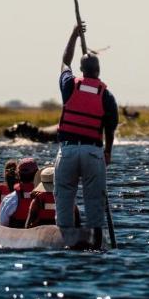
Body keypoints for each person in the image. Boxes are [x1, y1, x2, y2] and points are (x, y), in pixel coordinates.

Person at [56, 22, 118, 249]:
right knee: (94, 202)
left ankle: (67, 243)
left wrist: (73, 34)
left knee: (64, 198)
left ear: (82, 71)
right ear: (98, 71)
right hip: (93, 153)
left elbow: (65, 61)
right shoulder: (106, 95)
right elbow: (110, 127)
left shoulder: (69, 85)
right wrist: (108, 153)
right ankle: (96, 244)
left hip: (69, 151)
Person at [0, 157, 38, 228]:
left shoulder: (10, 199)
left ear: (18, 175)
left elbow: (3, 223)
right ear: (37, 174)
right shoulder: (51, 197)